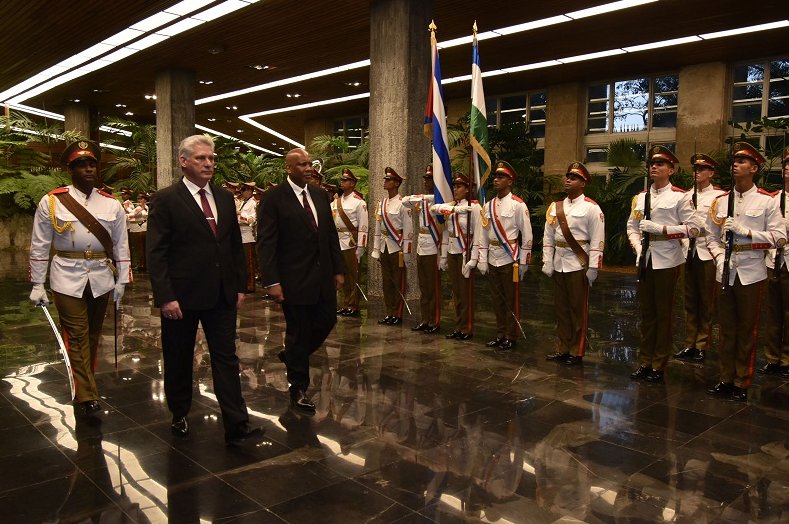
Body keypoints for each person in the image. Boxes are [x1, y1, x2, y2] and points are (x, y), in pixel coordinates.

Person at [146, 135, 262, 445]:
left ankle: (237, 423)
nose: (208, 163)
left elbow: (233, 245)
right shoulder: (166, 199)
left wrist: (239, 284)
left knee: (226, 357)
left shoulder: (224, 198)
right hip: (181, 297)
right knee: (180, 357)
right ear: (184, 162)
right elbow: (156, 252)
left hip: (221, 294)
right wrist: (165, 296)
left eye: (211, 158)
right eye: (201, 158)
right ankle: (180, 412)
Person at [28, 140, 130, 415]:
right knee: (77, 334)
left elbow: (121, 243)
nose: (88, 169)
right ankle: (86, 394)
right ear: (70, 169)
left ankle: (85, 381)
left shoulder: (111, 204)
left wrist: (122, 279)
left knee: (93, 335)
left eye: (91, 164)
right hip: (66, 276)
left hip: (101, 276)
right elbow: (39, 245)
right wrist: (38, 283)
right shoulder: (52, 201)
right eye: (80, 165)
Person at [257, 148, 345, 416]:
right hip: (293, 278)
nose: (309, 168)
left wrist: (338, 269)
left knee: (328, 319)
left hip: (322, 277)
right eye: (302, 164)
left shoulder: (319, 195)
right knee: (297, 329)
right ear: (289, 168)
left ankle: (293, 355)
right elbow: (267, 243)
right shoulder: (273, 199)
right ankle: (298, 387)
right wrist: (271, 281)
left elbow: (330, 235)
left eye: (310, 164)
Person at [706, 142, 786, 401]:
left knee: (746, 328)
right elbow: (711, 236)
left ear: (754, 168)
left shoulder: (767, 202)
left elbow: (778, 237)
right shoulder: (720, 202)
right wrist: (718, 257)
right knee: (726, 327)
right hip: (725, 270)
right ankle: (725, 377)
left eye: (742, 162)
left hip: (751, 271)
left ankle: (742, 380)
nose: (736, 165)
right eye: (734, 161)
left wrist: (748, 233)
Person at [627, 145, 697, 383]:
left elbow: (694, 229)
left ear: (671, 169)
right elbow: (632, 227)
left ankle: (659, 364)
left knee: (663, 314)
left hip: (667, 259)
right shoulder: (641, 197)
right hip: (645, 258)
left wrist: (663, 230)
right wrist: (637, 248)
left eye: (660, 164)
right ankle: (645, 361)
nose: (654, 167)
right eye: (651, 164)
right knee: (647, 314)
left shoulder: (680, 197)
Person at [542, 162, 605, 366]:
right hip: (559, 262)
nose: (568, 180)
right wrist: (547, 260)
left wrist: (594, 267)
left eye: (574, 177)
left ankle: (576, 351)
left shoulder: (591, 208)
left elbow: (597, 240)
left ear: (583, 183)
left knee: (577, 309)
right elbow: (548, 236)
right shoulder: (555, 207)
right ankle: (563, 348)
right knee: (560, 309)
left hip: (578, 264)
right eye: (568, 176)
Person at [466, 160, 532, 351]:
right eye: (495, 176)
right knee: (496, 300)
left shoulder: (518, 205)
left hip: (509, 259)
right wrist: (482, 259)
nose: (496, 179)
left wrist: (524, 262)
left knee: (511, 300)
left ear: (510, 181)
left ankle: (511, 336)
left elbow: (527, 236)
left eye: (501, 177)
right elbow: (483, 235)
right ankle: (500, 333)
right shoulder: (489, 206)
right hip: (493, 257)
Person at [674, 154, 725, 363]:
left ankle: (702, 343)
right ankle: (689, 343)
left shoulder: (720, 197)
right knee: (689, 299)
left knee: (707, 299)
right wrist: (685, 243)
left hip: (707, 249)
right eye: (695, 169)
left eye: (702, 169)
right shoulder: (685, 196)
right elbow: (680, 223)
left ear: (711, 173)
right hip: (688, 249)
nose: (697, 172)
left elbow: (720, 226)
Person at [432, 174, 481, 340]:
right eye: (454, 186)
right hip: (452, 252)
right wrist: (444, 256)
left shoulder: (474, 207)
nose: (455, 189)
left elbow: (478, 235)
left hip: (465, 253)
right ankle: (458, 326)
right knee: (456, 292)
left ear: (468, 189)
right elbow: (437, 214)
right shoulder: (452, 207)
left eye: (459, 186)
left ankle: (467, 328)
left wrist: (474, 259)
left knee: (465, 292)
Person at [371, 167, 414, 325]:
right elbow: (378, 228)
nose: (385, 182)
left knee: (398, 280)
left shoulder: (403, 204)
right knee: (386, 282)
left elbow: (409, 230)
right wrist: (376, 249)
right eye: (385, 179)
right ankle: (389, 312)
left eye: (388, 180)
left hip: (397, 247)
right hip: (384, 246)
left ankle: (398, 313)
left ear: (396, 183)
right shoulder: (381, 204)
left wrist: (407, 252)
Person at [402, 165, 442, 334]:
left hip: (434, 247)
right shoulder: (424, 199)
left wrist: (426, 198)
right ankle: (425, 319)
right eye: (425, 178)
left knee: (433, 287)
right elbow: (405, 201)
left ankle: (434, 320)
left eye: (430, 179)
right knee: (423, 287)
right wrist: (423, 198)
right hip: (421, 245)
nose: (426, 181)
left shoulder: (440, 200)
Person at [761, 147, 789, 378]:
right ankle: (772, 357)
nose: (787, 167)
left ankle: (786, 358)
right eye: (785, 163)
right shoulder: (772, 199)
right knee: (773, 313)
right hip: (773, 261)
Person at [331, 168, 368, 317]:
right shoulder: (335, 202)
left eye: (345, 180)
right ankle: (345, 303)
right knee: (342, 275)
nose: (342, 182)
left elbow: (364, 227)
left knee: (352, 276)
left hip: (350, 242)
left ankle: (353, 305)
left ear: (352, 183)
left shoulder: (359, 203)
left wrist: (361, 247)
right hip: (337, 242)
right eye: (342, 180)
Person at [237, 181, 258, 294]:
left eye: (244, 190)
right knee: (242, 262)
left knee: (249, 261)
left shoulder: (253, 203)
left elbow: (252, 220)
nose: (242, 193)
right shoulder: (243, 202)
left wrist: (240, 215)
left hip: (248, 235)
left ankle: (250, 285)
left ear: (249, 191)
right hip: (240, 234)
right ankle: (244, 283)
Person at [126, 192, 149, 271]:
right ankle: (142, 264)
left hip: (139, 230)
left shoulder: (142, 207)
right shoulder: (141, 207)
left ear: (145, 200)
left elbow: (132, 216)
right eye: (138, 198)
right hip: (139, 229)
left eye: (141, 198)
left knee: (140, 248)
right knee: (140, 248)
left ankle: (142, 264)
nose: (139, 200)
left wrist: (126, 207)